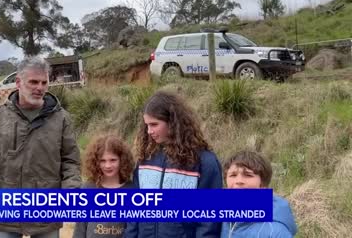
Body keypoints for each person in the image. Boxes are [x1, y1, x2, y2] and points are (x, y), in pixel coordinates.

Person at [0, 57, 81, 238]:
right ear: (18, 83)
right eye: (33, 82)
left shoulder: (61, 118)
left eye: (44, 82)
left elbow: (71, 161)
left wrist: (70, 193)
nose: (40, 87)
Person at [125, 91, 223, 238]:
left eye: (154, 124)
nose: (149, 131)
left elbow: (209, 220)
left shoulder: (204, 162)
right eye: (146, 125)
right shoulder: (145, 158)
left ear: (173, 122)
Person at [221, 151, 298, 238]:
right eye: (233, 175)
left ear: (263, 184)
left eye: (248, 175)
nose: (238, 181)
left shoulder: (275, 231)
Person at [73, 134, 135, 238]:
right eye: (102, 161)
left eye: (113, 160)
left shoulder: (131, 190)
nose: (108, 166)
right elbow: (80, 227)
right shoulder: (88, 188)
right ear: (95, 162)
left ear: (122, 160)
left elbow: (133, 229)